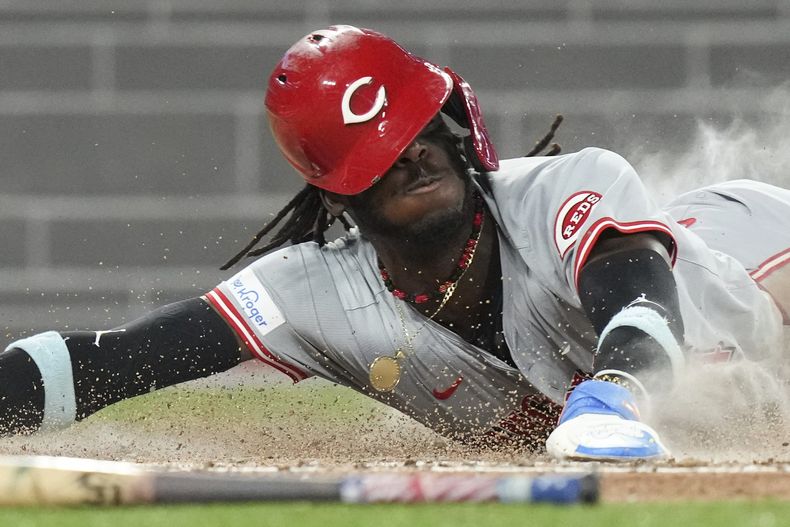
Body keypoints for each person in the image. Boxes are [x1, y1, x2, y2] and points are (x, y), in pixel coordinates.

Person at [2, 25, 788, 461]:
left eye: (417, 129)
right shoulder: (314, 293)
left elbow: (642, 300)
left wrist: (612, 391)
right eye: (378, 150)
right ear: (336, 189)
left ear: (453, 128)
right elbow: (113, 360)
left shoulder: (562, 188)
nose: (411, 151)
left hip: (750, 259)